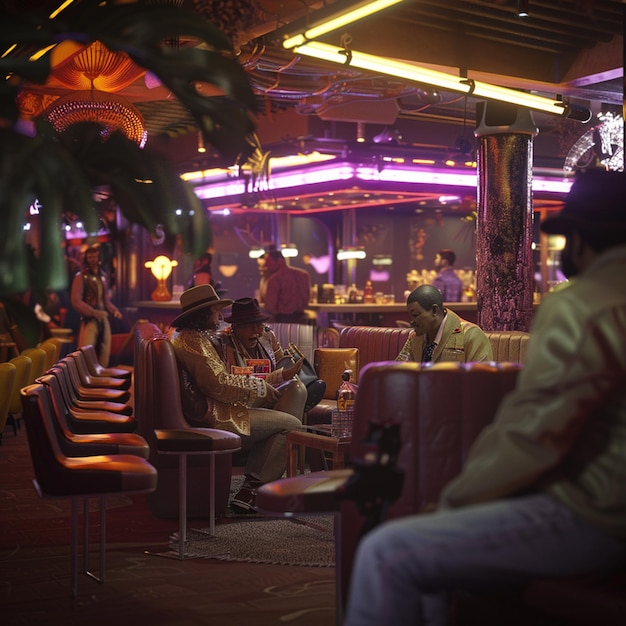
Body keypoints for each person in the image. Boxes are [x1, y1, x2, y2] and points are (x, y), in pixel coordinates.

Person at [344, 169, 626, 626]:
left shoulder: (583, 305)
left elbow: (533, 434)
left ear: (582, 240)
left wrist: (456, 500)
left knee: (388, 551)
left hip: (602, 519)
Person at [170, 285, 303, 512]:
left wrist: (261, 385)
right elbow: (217, 384)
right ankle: (254, 489)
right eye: (215, 311)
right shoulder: (193, 340)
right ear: (202, 314)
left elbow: (218, 381)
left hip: (215, 407)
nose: (220, 316)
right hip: (215, 414)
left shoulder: (193, 337)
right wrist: (258, 388)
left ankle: (257, 485)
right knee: (291, 425)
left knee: (293, 393)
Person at [219, 297, 326, 415]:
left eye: (259, 325)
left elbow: (281, 363)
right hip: (245, 400)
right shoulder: (225, 343)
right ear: (235, 327)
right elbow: (232, 383)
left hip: (274, 393)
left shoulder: (267, 336)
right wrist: (279, 376)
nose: (257, 332)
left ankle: (288, 428)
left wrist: (289, 371)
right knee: (296, 390)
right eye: (250, 326)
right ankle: (290, 430)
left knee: (297, 387)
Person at [396, 284, 492, 363]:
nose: (412, 322)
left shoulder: (470, 335)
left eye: (416, 315)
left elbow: (481, 380)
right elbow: (399, 370)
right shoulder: (415, 337)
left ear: (434, 311)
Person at [70, 245, 122, 367]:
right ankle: (87, 377)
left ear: (99, 258)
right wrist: (92, 312)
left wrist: (114, 310)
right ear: (86, 258)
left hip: (103, 316)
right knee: (87, 349)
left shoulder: (103, 276)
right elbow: (76, 300)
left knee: (104, 349)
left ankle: (102, 375)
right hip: (90, 318)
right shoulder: (81, 276)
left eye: (95, 256)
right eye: (90, 257)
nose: (92, 259)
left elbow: (106, 301)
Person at [263, 248, 311, 323]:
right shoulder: (303, 275)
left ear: (279, 261)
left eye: (269, 262)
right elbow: (307, 298)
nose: (266, 265)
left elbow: (270, 306)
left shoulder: (275, 278)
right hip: (302, 318)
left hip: (283, 319)